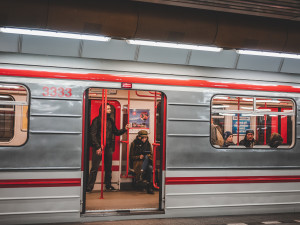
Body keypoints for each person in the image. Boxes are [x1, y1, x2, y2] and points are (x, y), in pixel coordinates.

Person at [87, 103, 130, 192]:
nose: (110, 110)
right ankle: (89, 187)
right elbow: (92, 134)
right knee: (94, 168)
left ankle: (108, 185)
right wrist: (98, 146)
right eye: (108, 109)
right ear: (103, 110)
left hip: (108, 146)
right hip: (98, 147)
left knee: (108, 167)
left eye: (110, 108)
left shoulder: (110, 121)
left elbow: (116, 132)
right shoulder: (96, 120)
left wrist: (124, 129)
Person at [130, 130, 154, 194]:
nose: (144, 139)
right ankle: (148, 187)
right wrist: (139, 157)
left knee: (150, 167)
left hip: (146, 162)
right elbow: (131, 156)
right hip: (138, 162)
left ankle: (148, 185)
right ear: (139, 137)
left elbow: (151, 155)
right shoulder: (134, 144)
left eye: (145, 138)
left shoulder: (148, 144)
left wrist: (148, 156)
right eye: (142, 138)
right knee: (149, 168)